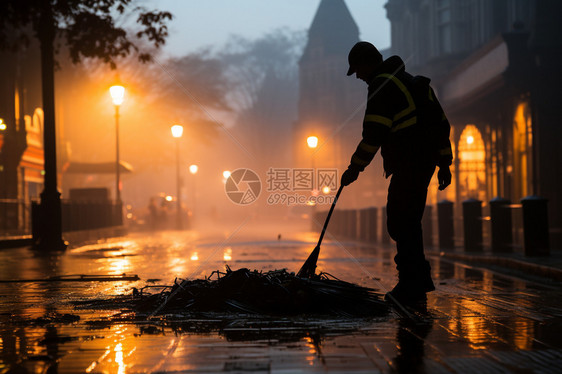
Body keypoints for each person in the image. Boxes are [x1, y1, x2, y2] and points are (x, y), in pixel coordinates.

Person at [341, 41, 453, 306]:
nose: (357, 76)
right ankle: (417, 281)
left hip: (408, 161)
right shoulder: (412, 82)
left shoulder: (382, 86)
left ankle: (411, 285)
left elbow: (373, 135)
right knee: (409, 220)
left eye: (357, 70)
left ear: (368, 64)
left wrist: (354, 168)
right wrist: (444, 163)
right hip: (423, 163)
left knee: (400, 220)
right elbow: (441, 123)